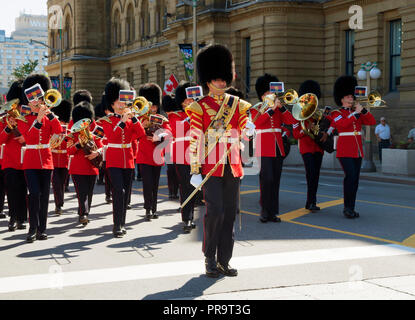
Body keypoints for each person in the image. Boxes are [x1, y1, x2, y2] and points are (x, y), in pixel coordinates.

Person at [186, 44, 252, 278]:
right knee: (215, 212)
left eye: (224, 79)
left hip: (232, 164)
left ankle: (225, 260)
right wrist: (195, 170)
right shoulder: (198, 107)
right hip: (210, 166)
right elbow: (195, 139)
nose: (222, 83)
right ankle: (209, 258)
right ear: (208, 80)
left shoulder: (237, 104)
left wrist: (248, 129)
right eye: (217, 79)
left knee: (230, 213)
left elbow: (242, 127)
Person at [18, 74, 63, 242]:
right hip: (30, 160)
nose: (37, 102)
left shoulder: (48, 116)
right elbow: (28, 138)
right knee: (34, 194)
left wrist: (50, 114)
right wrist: (37, 119)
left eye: (39, 99)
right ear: (28, 102)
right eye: (33, 100)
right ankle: (32, 228)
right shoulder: (23, 118)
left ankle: (42, 229)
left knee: (44, 196)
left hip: (46, 159)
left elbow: (59, 131)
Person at [99, 78, 146, 237]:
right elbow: (112, 138)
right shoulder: (106, 120)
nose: (121, 105)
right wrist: (122, 122)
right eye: (118, 102)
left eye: (123, 102)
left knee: (126, 194)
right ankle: (116, 225)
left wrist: (133, 118)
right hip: (114, 159)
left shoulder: (131, 118)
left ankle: (122, 223)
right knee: (119, 190)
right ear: (112, 104)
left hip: (129, 159)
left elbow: (141, 134)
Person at [250, 73, 297, 223]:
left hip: (277, 146)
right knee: (266, 178)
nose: (271, 95)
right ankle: (264, 210)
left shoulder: (278, 109)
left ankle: (273, 212)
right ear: (262, 95)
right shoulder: (256, 108)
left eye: (272, 92)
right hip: (263, 146)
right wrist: (270, 109)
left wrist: (282, 109)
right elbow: (257, 123)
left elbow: (291, 120)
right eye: (268, 93)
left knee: (275, 179)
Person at [330, 75, 376, 219]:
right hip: (344, 150)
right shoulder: (336, 113)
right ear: (342, 98)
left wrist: (362, 111)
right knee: (349, 177)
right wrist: (355, 113)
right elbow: (342, 125)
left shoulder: (355, 112)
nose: (351, 98)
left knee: (355, 179)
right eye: (349, 96)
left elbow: (371, 121)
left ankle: (351, 207)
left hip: (357, 150)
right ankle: (346, 208)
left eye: (352, 96)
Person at [136, 83, 172, 221]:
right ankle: (147, 209)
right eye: (150, 105)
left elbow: (169, 132)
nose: (152, 108)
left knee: (155, 184)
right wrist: (141, 126)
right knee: (147, 183)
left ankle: (154, 209)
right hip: (144, 155)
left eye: (154, 106)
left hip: (157, 156)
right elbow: (134, 135)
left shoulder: (160, 119)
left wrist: (159, 135)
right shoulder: (139, 119)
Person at [167, 82, 197, 233]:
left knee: (195, 186)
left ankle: (192, 215)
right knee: (185, 186)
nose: (189, 102)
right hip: (182, 155)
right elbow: (178, 129)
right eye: (187, 100)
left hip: (198, 154)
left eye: (192, 100)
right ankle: (187, 218)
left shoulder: (199, 114)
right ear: (181, 101)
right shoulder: (175, 116)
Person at [68, 101, 103, 226]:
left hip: (92, 167)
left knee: (89, 193)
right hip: (77, 168)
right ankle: (84, 214)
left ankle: (84, 211)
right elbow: (68, 150)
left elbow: (101, 146)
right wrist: (78, 144)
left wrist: (97, 153)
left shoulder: (95, 131)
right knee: (81, 193)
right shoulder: (72, 132)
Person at [292, 80, 325, 212]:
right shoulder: (298, 115)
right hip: (306, 148)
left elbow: (324, 128)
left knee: (316, 175)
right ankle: (310, 201)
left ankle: (312, 201)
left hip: (318, 147)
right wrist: (306, 128)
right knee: (310, 174)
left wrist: (319, 126)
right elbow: (296, 134)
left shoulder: (318, 114)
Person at [0, 80, 28, 230]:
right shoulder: (4, 118)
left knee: (23, 189)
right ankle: (12, 217)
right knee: (11, 189)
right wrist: (8, 128)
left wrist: (25, 138)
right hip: (10, 159)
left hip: (25, 159)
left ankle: (22, 218)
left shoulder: (27, 117)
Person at [51, 99, 72, 216]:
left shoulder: (69, 130)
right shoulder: (53, 128)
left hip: (64, 158)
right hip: (53, 157)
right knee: (55, 182)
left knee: (63, 182)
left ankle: (60, 202)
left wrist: (67, 136)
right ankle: (58, 204)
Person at [162, 94, 180, 200]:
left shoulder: (176, 117)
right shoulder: (167, 119)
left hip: (177, 147)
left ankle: (175, 190)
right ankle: (171, 191)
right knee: (170, 170)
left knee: (177, 171)